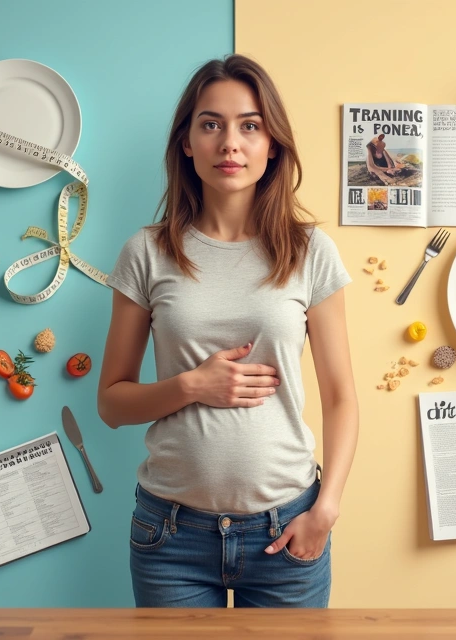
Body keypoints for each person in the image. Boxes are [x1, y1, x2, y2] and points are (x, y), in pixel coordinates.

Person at [98, 54, 358, 609]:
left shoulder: (311, 252)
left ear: (272, 145)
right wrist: (192, 387)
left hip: (287, 530)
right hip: (170, 535)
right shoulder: (146, 252)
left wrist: (326, 508)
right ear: (187, 142)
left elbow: (340, 397)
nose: (230, 143)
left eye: (250, 125)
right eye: (210, 124)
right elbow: (112, 404)